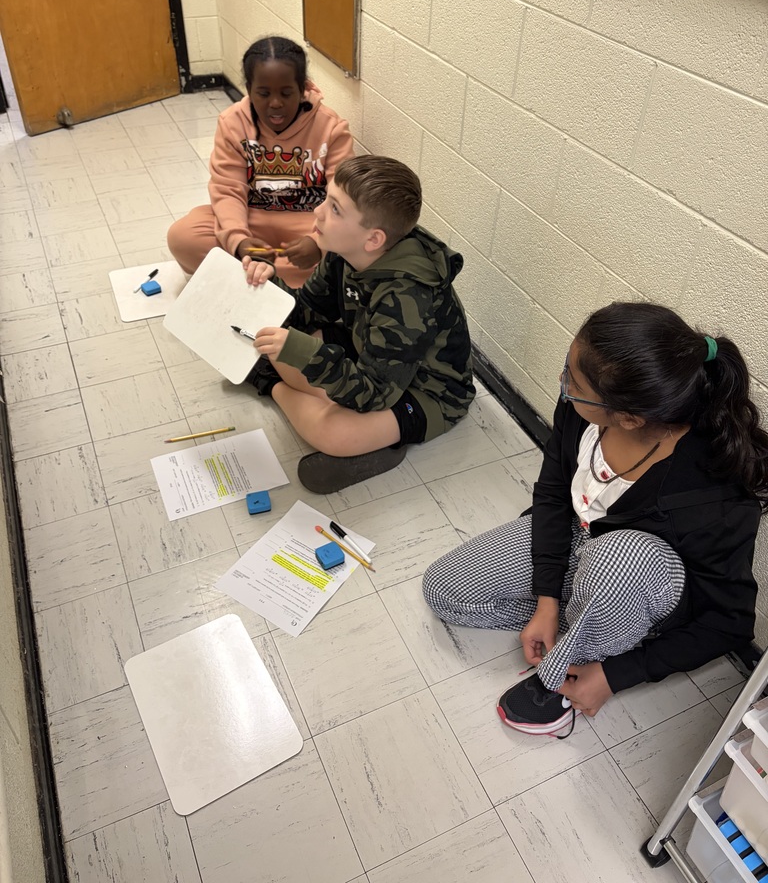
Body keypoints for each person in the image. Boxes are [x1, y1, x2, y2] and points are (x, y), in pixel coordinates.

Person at [422, 302, 767, 738]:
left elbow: (729, 623)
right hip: (580, 542)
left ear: (628, 417)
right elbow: (552, 492)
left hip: (635, 574)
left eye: (573, 382)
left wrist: (615, 673)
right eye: (568, 371)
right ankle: (588, 621)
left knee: (615, 560)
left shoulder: (710, 497)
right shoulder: (582, 410)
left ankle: (578, 665)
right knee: (446, 591)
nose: (563, 387)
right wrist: (547, 599)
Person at [242, 154, 476, 494]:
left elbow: (375, 394)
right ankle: (366, 430)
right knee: (285, 341)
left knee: (333, 433)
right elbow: (307, 312)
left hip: (428, 392)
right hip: (372, 352)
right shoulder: (343, 250)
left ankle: (269, 383)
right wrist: (270, 286)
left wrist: (306, 357)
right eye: (326, 199)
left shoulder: (407, 297)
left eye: (335, 209)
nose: (318, 212)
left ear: (374, 239)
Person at [167, 36, 354, 288]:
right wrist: (239, 241)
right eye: (263, 93)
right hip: (251, 225)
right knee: (184, 237)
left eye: (286, 93)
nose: (275, 103)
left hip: (308, 229)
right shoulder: (232, 122)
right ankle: (279, 279)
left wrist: (318, 243)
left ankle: (256, 278)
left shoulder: (332, 128)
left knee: (353, 247)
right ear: (249, 89)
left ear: (303, 88)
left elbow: (342, 198)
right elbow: (227, 190)